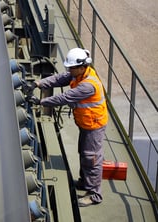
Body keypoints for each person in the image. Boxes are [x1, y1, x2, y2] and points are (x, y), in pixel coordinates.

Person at [28, 47, 108, 207]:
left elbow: (65, 97)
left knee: (91, 158)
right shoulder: (79, 74)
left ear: (82, 66)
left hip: (94, 125)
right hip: (86, 123)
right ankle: (85, 183)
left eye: (72, 67)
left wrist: (40, 102)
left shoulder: (88, 85)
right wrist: (38, 83)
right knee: (84, 154)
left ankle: (94, 194)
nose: (69, 70)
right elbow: (59, 79)